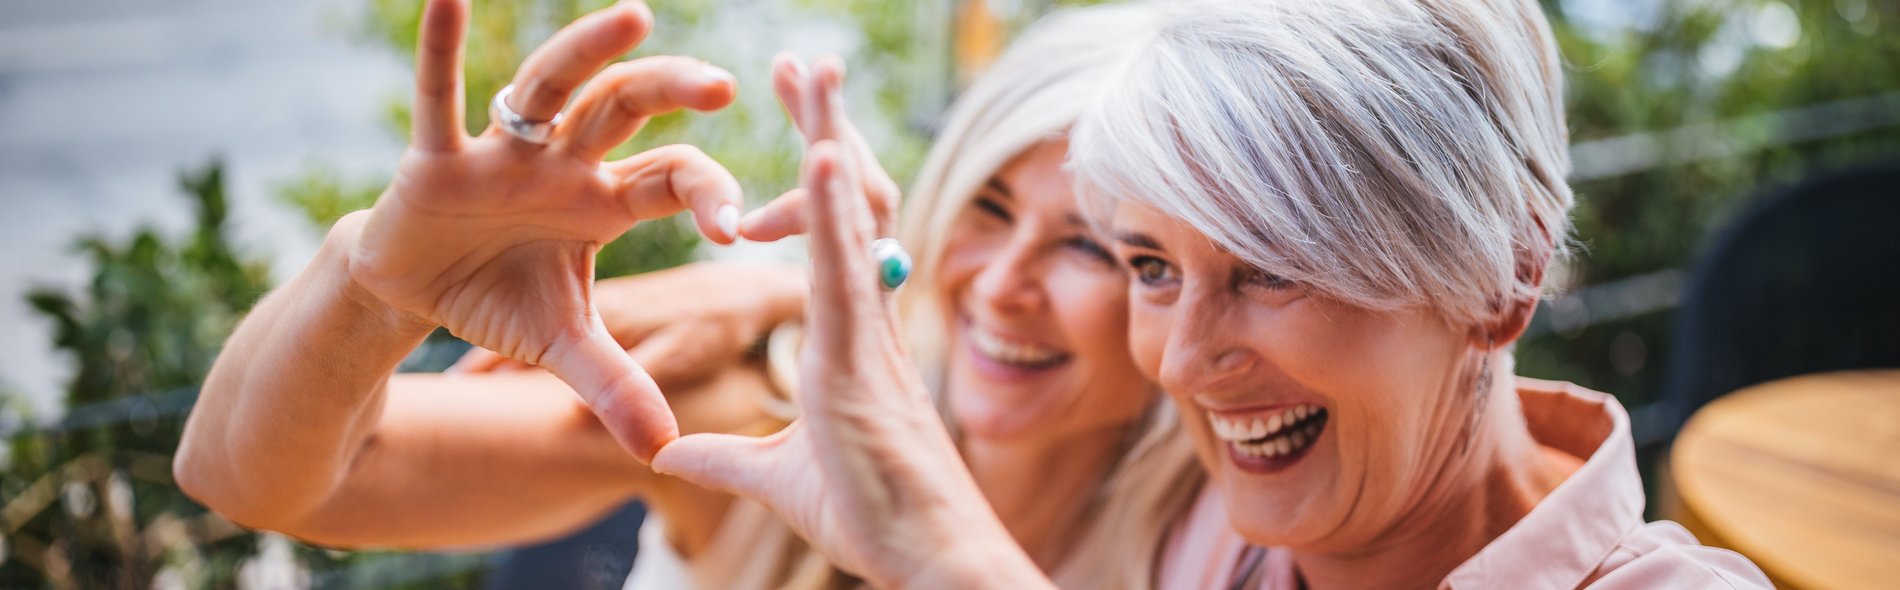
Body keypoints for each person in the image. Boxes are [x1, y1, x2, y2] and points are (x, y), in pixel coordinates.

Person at [653, 0, 1776, 588]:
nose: (1182, 360)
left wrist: (945, 555)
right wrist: (741, 298)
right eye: (1146, 264)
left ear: (1505, 274)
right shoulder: (1188, 484)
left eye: (1272, 264)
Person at [174, 2, 1205, 588]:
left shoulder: (1230, 527)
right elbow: (250, 479)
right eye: (984, 202)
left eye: (1090, 245)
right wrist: (374, 287)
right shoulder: (762, 406)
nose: (1004, 282)